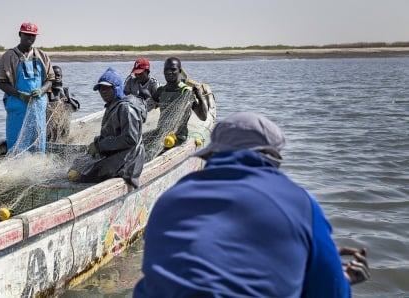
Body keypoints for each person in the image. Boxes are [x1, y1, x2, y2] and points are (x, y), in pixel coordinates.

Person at [134, 112, 370, 297]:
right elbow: (331, 291)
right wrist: (338, 277)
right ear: (274, 159)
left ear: (212, 156)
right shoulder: (300, 204)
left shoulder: (170, 199)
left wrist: (303, 254)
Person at [67, 67, 146, 188]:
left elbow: (130, 139)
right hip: (119, 155)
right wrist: (98, 143)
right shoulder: (112, 106)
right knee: (78, 164)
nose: (103, 91)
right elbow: (112, 135)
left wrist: (100, 146)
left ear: (117, 88)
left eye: (107, 88)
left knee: (83, 175)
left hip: (129, 161)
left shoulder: (126, 108)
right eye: (100, 89)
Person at [0, 21, 54, 154]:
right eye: (27, 35)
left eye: (33, 35)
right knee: (17, 145)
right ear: (20, 34)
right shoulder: (8, 56)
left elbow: (50, 79)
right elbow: (0, 81)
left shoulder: (42, 56)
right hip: (18, 108)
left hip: (38, 107)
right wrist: (19, 94)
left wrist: (42, 90)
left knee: (38, 145)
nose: (30, 38)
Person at [143, 57, 208, 160]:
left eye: (173, 69)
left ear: (180, 71)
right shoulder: (161, 90)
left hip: (177, 139)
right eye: (166, 69)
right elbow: (148, 107)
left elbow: (203, 117)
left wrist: (199, 95)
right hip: (160, 134)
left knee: (150, 155)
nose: (169, 72)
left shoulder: (185, 92)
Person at [46, 65, 80, 142]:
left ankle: (63, 139)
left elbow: (76, 108)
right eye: (54, 75)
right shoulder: (47, 91)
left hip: (64, 126)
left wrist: (68, 99)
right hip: (50, 126)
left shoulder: (66, 90)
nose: (57, 77)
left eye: (58, 75)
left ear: (61, 76)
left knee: (64, 137)